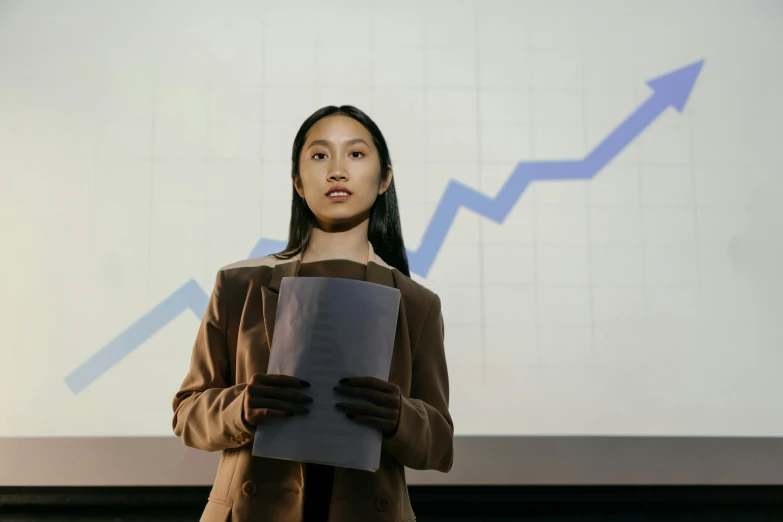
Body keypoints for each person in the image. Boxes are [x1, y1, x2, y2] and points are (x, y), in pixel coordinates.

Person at [172, 105, 454, 522]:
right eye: (319, 156)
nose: (337, 171)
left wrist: (400, 416)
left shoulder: (417, 303)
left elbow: (441, 445)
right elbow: (187, 413)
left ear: (385, 178)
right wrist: (242, 406)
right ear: (297, 182)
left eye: (356, 154)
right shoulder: (238, 285)